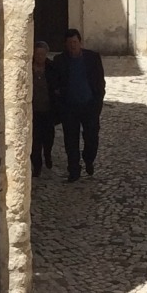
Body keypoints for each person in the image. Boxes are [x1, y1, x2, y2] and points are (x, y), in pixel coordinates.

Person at [47, 28, 105, 182]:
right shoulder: (60, 60)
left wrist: (98, 101)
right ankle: (74, 170)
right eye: (69, 43)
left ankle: (88, 159)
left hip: (89, 105)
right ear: (66, 45)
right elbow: (54, 81)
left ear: (80, 42)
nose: (72, 46)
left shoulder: (92, 58)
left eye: (74, 42)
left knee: (91, 137)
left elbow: (100, 81)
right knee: (71, 141)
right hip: (70, 108)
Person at [31, 40, 57, 177]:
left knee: (48, 138)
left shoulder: (51, 68)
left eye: (42, 54)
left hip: (48, 110)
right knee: (35, 140)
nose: (40, 56)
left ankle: (47, 154)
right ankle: (37, 165)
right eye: (37, 54)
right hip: (33, 111)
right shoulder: (28, 68)